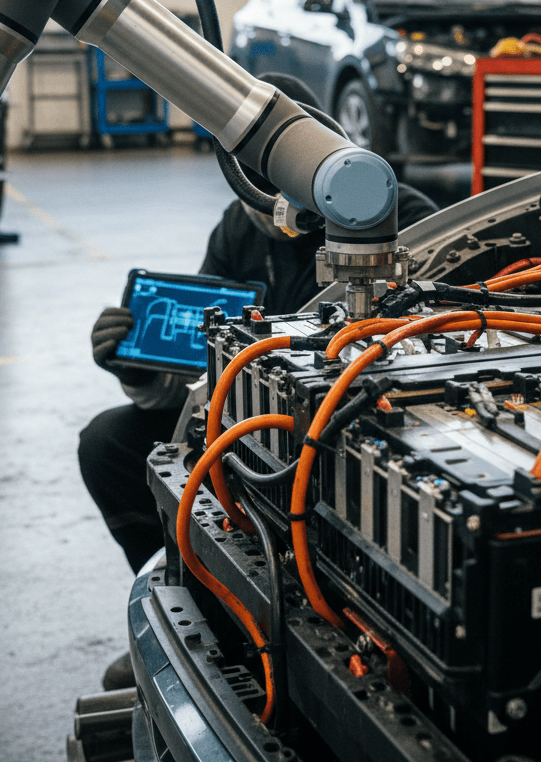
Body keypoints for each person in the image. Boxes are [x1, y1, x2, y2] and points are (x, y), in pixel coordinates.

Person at [78, 74, 438, 687]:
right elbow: (203, 376)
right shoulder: (239, 230)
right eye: (251, 191)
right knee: (109, 443)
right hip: (252, 427)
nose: (271, 214)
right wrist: (140, 374)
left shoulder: (395, 217)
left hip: (354, 434)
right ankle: (199, 597)